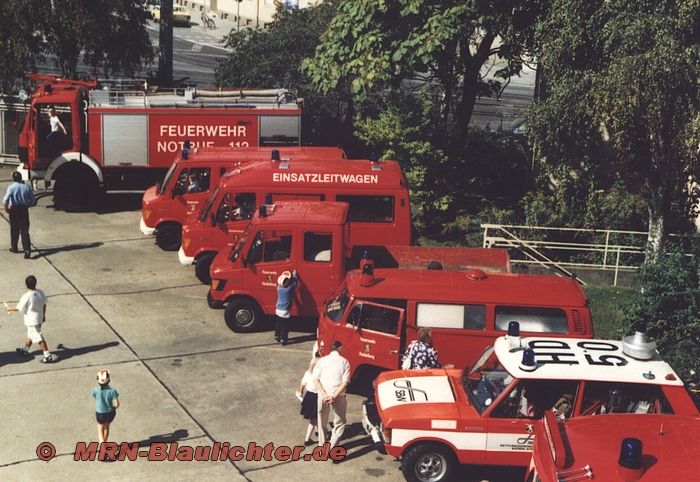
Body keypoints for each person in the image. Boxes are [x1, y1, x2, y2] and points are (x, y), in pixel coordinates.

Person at [5, 275, 53, 363]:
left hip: (32, 320)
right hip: (39, 318)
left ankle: (47, 355)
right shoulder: (40, 292)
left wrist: (9, 308)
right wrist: (43, 316)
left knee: (38, 337)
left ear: (26, 285)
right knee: (31, 333)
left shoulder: (27, 296)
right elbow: (44, 304)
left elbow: (19, 308)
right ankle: (25, 349)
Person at [313, 341, 350, 450]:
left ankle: (322, 445)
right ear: (340, 348)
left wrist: (325, 394)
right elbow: (345, 382)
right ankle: (332, 448)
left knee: (321, 420)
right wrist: (333, 396)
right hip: (338, 396)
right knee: (340, 422)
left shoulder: (322, 361)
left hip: (323, 395)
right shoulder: (344, 362)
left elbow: (315, 379)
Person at [3, 171, 36, 258]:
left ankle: (14, 247)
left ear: (13, 179)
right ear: (21, 178)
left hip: (14, 210)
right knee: (25, 230)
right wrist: (27, 204)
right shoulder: (26, 187)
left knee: (14, 229)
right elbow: (33, 201)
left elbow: (5, 200)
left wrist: (7, 209)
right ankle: (27, 250)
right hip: (23, 210)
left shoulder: (11, 187)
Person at [297, 352, 321, 446]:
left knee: (314, 418)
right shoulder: (319, 376)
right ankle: (308, 439)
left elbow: (302, 383)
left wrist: (300, 391)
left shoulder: (308, 373)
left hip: (309, 397)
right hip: (317, 397)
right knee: (316, 418)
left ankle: (315, 432)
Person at [92, 369, 120, 445]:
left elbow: (95, 397)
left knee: (100, 430)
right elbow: (117, 404)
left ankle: (103, 447)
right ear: (109, 380)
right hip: (110, 412)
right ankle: (104, 443)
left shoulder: (96, 390)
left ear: (98, 381)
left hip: (100, 412)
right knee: (106, 428)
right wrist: (112, 408)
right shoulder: (112, 391)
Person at [274, 270, 297, 345]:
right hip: (285, 312)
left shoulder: (278, 288)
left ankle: (277, 335)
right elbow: (295, 284)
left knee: (278, 324)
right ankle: (283, 339)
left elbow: (282, 282)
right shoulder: (289, 289)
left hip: (278, 310)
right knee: (285, 327)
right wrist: (294, 275)